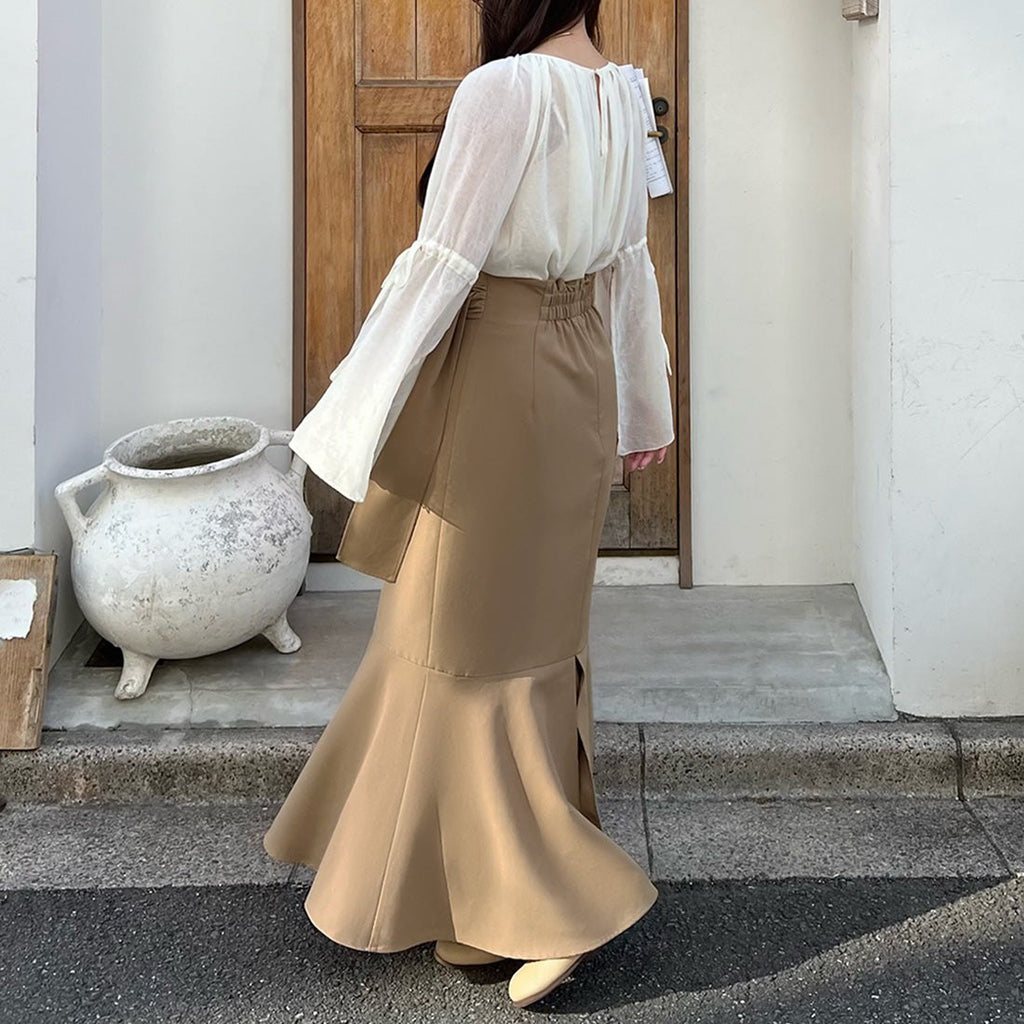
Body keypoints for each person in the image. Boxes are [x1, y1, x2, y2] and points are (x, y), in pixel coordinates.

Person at [263, 0, 675, 1009]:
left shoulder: (505, 88)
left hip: (497, 373)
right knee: (519, 636)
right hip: (575, 375)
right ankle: (474, 901)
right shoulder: (622, 95)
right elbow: (628, 266)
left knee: (455, 634)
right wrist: (642, 404)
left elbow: (443, 260)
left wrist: (344, 416)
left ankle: (551, 905)